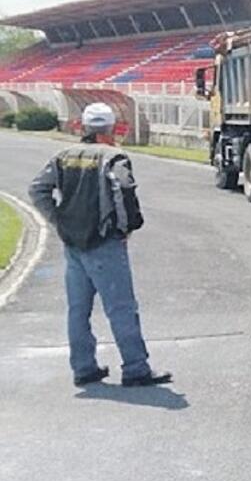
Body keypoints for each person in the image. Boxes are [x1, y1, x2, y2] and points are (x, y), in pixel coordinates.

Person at [28, 102, 171, 388]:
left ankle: (84, 368)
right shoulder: (113, 156)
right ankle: (135, 368)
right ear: (110, 129)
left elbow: (37, 189)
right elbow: (124, 189)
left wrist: (58, 221)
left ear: (84, 127)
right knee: (121, 308)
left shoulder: (62, 156)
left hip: (73, 245)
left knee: (78, 310)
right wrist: (126, 228)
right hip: (104, 242)